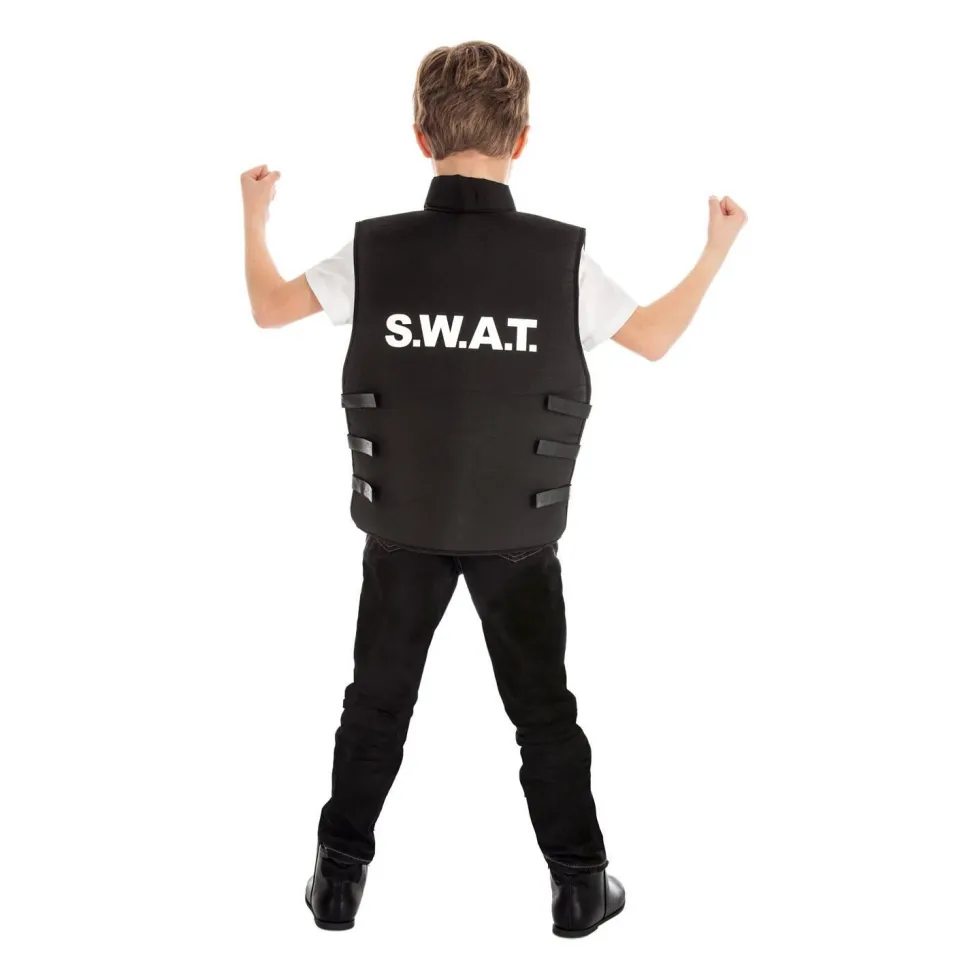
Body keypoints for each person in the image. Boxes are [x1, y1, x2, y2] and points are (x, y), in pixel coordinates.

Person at [241, 40, 746, 938]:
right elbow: (654, 338)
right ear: (522, 139)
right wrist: (714, 251)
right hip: (518, 534)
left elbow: (270, 307)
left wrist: (255, 218)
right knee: (544, 714)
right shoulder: (561, 259)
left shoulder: (376, 251)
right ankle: (580, 887)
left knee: (375, 705)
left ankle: (337, 884)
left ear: (419, 136)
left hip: (403, 528)